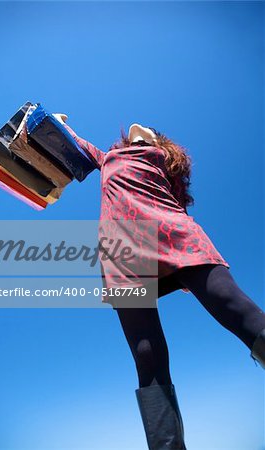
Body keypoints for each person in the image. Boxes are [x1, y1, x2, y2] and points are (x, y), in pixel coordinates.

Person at [56, 114, 265, 450]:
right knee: (145, 353)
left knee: (235, 308)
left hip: (174, 235)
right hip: (123, 252)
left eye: (152, 128)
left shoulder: (165, 160)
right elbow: (71, 141)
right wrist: (58, 123)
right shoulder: (107, 157)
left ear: (160, 141)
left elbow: (180, 201)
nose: (143, 124)